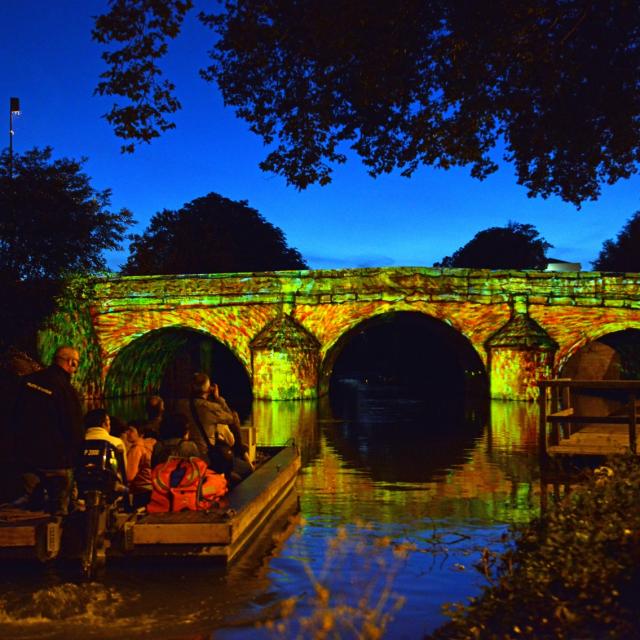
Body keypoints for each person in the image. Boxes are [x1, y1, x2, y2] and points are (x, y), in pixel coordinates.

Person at [14, 345, 84, 515]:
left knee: (31, 512)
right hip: (57, 461)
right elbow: (74, 428)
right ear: (71, 363)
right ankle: (57, 538)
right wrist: (76, 458)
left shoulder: (27, 382)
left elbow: (13, 416)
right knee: (58, 513)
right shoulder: (66, 391)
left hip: (28, 459)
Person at [176, 373, 253, 482]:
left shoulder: (181, 405)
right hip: (207, 456)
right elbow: (231, 418)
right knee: (247, 470)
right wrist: (218, 398)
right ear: (209, 390)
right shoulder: (210, 408)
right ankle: (240, 452)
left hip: (186, 453)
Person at [83, 408, 128, 477]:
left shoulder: (79, 442)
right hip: (109, 485)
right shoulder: (116, 442)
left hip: (83, 484)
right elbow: (124, 470)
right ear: (105, 423)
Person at [123, 421, 157, 506]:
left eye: (131, 430)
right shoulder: (151, 446)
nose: (127, 433)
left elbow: (129, 476)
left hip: (141, 491)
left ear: (141, 434)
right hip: (153, 489)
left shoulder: (137, 449)